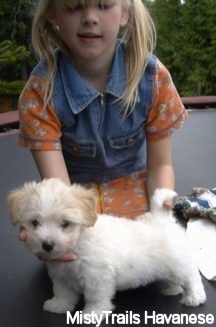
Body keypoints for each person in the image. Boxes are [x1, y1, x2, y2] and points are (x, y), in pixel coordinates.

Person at [17, 0, 188, 261]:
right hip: (79, 208)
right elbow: (59, 189)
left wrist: (162, 216)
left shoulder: (153, 79)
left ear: (125, 13)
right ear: (53, 13)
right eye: (75, 7)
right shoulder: (40, 92)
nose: (90, 18)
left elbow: (160, 166)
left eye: (104, 5)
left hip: (136, 204)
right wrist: (55, 230)